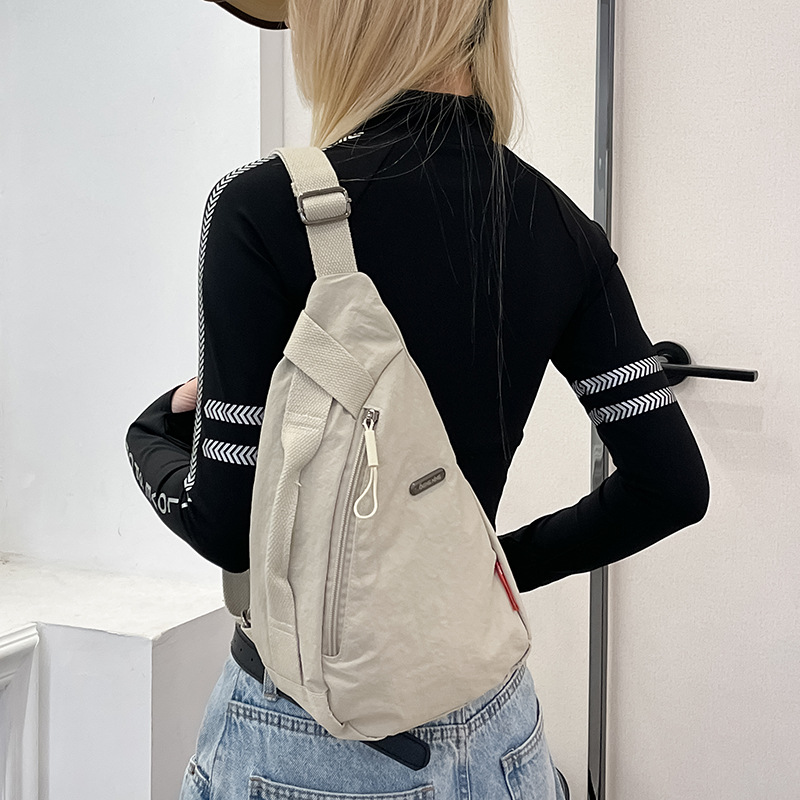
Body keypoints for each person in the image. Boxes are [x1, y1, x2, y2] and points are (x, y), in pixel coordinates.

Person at [124, 1, 710, 797]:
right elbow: (671, 488)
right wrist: (484, 570)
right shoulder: (559, 223)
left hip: (310, 737)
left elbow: (224, 527)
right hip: (502, 728)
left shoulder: (263, 209)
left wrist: (150, 434)